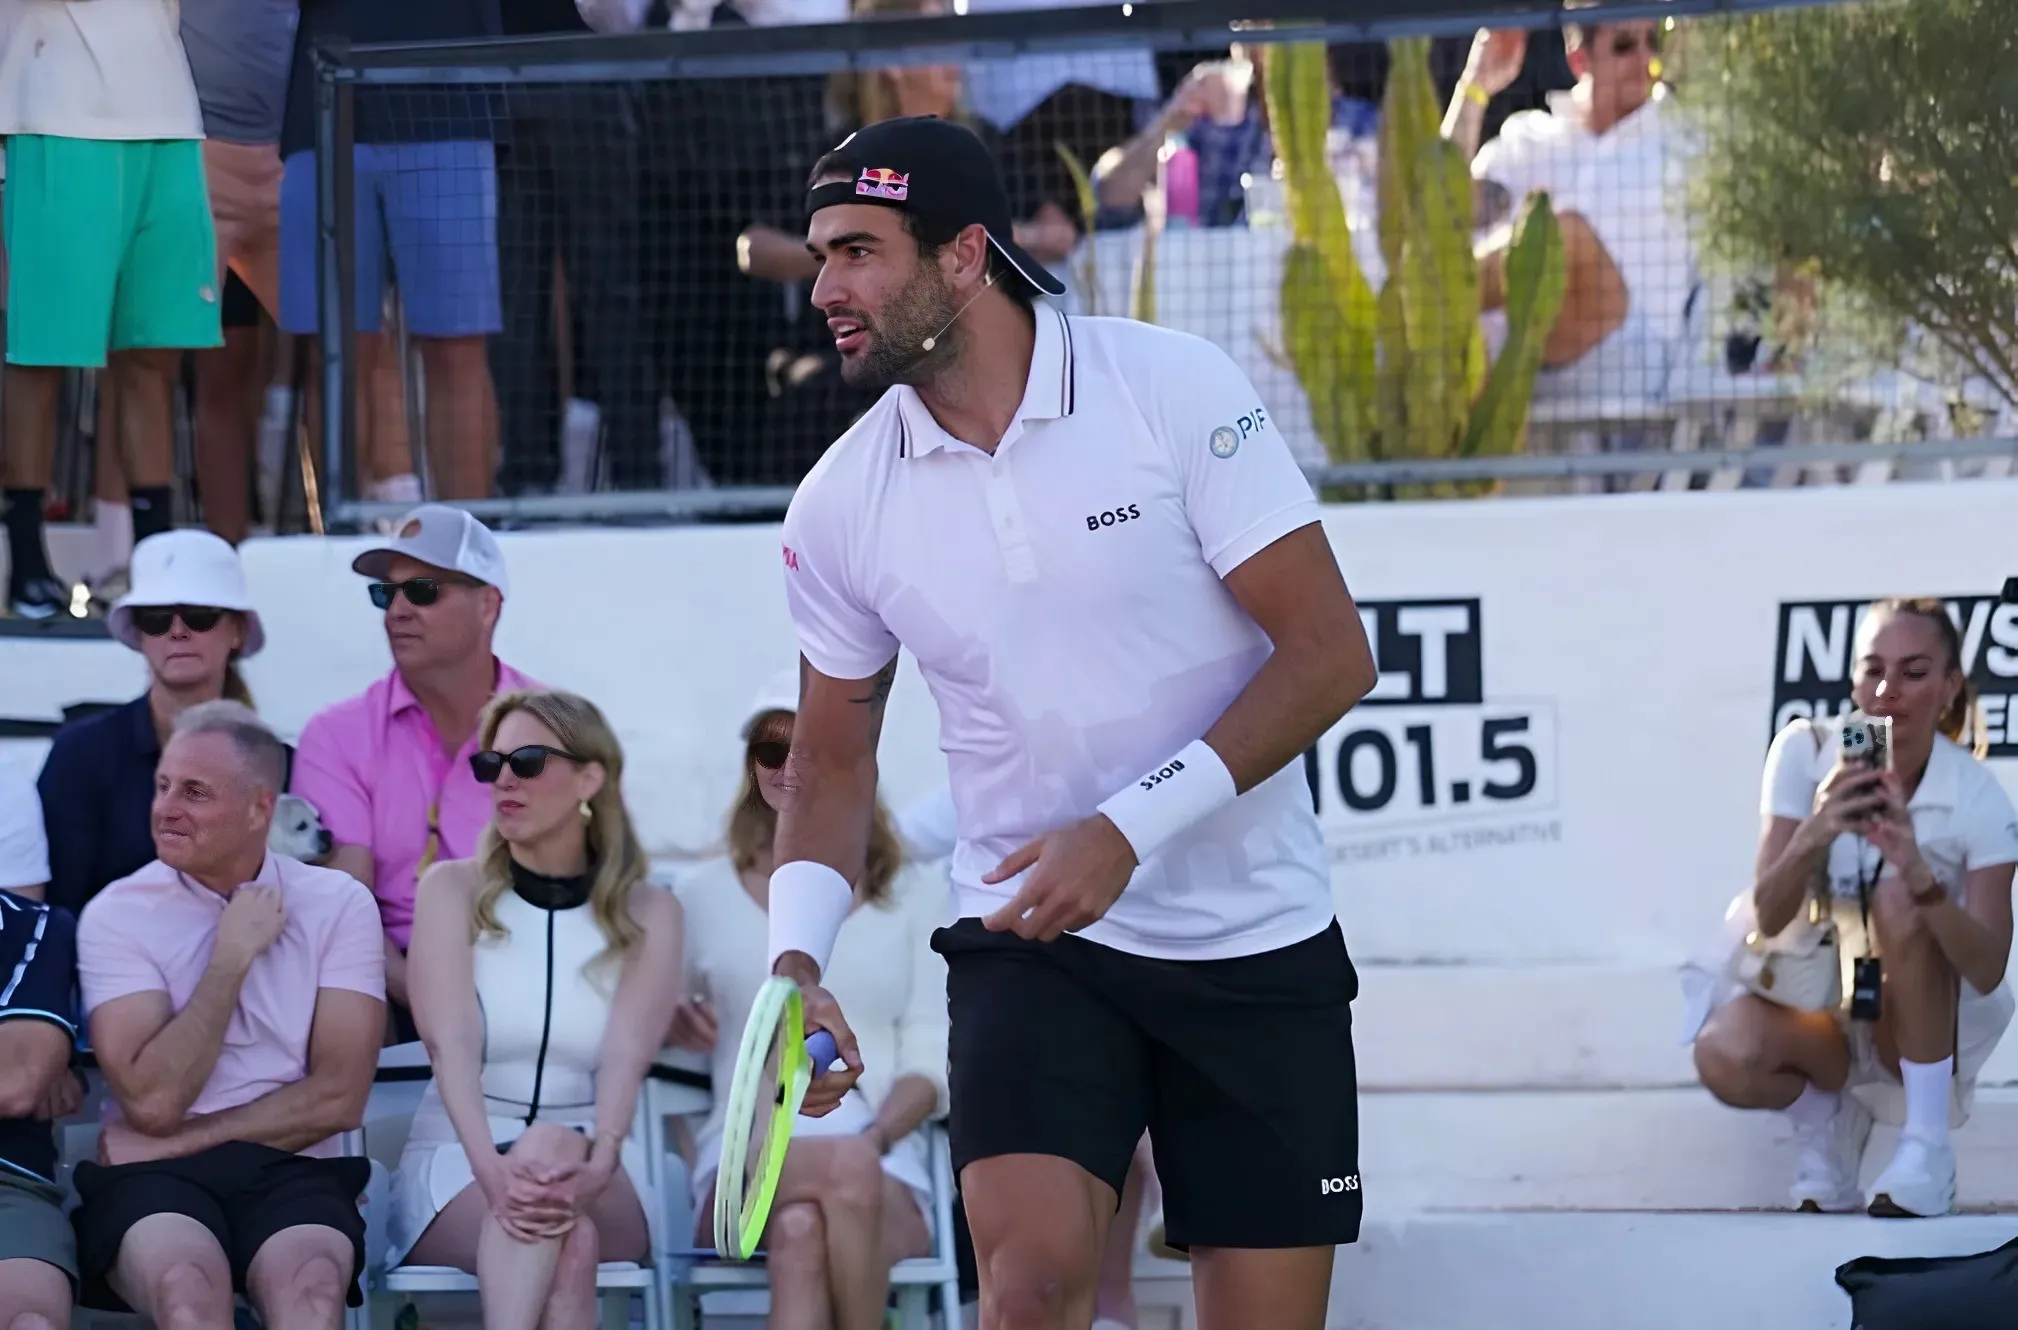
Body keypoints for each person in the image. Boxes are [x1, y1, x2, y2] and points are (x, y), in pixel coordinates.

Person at [773, 116, 1378, 1330]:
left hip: (1254, 938)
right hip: (1025, 937)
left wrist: (1124, 830)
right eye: (819, 254)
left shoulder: (1168, 385)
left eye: (857, 251)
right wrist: (796, 965)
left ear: (962, 257)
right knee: (1034, 1281)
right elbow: (830, 759)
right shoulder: (838, 499)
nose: (825, 289)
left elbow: (1329, 657)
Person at [1691, 599, 2018, 1220]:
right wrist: (1815, 830)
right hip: (1826, 1008)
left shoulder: (1977, 795)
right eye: (1874, 670)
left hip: (1918, 1026)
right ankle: (1827, 1121)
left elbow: (1987, 968)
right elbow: (1766, 914)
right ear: (1853, 681)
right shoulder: (1805, 753)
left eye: (1915, 673)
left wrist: (1919, 876)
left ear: (1950, 688)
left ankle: (1927, 1148)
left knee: (1899, 897)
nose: (1888, 692)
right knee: (1723, 1053)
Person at [72, 701, 386, 1324]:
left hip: (291, 1165)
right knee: (187, 1294)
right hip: (151, 1183)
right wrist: (230, 958)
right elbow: (154, 1104)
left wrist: (181, 1143)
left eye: (195, 791)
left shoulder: (339, 904)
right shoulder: (117, 912)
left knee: (313, 1296)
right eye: (162, 786)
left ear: (260, 809)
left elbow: (339, 1098)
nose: (166, 808)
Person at [390, 690, 681, 1328]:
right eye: (490, 765)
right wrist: (494, 1175)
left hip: (603, 1165)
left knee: (554, 1154)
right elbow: (450, 1047)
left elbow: (626, 1058)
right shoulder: (451, 889)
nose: (505, 782)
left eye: (526, 761)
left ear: (589, 776)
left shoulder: (650, 913)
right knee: (569, 1245)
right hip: (457, 1161)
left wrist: (598, 1160)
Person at [672, 669, 941, 1328]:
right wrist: (672, 1021)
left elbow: (932, 1059)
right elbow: (644, 1024)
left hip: (886, 1157)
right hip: (741, 1158)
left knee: (799, 1233)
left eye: (809, 744)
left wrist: (872, 1138)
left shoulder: (913, 893)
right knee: (827, 1187)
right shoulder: (700, 893)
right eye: (770, 749)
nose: (788, 763)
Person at [0, 0, 223, 617]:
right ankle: (25, 556)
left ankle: (156, 563)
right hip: (56, 109)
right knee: (40, 352)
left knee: (150, 356)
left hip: (170, 114)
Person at [291, 503, 536, 1039]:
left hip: (532, 976)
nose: (396, 610)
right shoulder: (335, 736)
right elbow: (343, 910)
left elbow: (589, 877)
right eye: (386, 593)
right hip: (384, 991)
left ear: (488, 604)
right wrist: (431, 1001)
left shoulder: (555, 727)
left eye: (422, 590)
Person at [277, 0, 505, 501]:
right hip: (323, 105)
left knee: (456, 346)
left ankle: (464, 559)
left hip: (449, 103)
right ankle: (341, 552)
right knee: (334, 350)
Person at [37, 530, 269, 914]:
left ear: (237, 631)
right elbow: (59, 912)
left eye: (200, 615)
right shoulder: (80, 755)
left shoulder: (276, 762)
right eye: (157, 619)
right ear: (140, 635)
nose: (178, 631)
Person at [0, 882, 86, 1330]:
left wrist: (33, 1064)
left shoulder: (36, 924)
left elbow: (18, 1083)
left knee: (32, 1323)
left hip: (9, 1181)